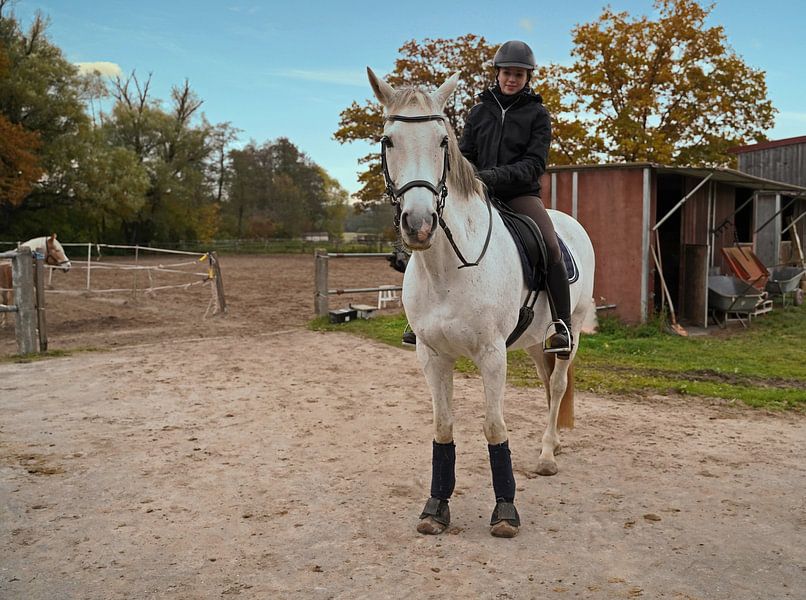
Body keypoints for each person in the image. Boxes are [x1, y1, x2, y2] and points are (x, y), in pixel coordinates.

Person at [403, 40, 572, 356]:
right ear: (498, 73)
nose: (512, 79)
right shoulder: (479, 112)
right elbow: (465, 154)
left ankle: (561, 326)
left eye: (519, 75)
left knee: (549, 245)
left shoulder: (538, 114)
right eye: (507, 73)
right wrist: (466, 177)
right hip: (475, 193)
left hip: (520, 195)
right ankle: (418, 318)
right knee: (432, 233)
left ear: (527, 78)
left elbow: (534, 164)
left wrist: (492, 177)